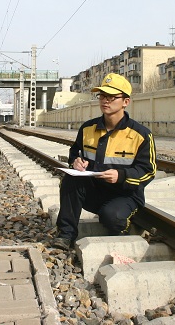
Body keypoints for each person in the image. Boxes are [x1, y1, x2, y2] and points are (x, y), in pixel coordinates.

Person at [52, 73, 157, 250]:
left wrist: (121, 175)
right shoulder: (88, 128)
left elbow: (148, 171)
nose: (105, 101)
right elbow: (75, 152)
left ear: (126, 102)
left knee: (112, 218)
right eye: (102, 96)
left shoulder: (141, 135)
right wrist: (76, 162)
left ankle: (119, 224)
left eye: (111, 97)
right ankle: (65, 235)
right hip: (94, 191)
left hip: (125, 195)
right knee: (70, 180)